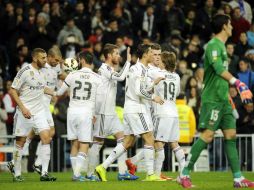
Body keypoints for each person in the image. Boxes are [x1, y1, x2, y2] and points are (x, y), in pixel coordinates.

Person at [178, 14, 254, 188]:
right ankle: (184, 173)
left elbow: (219, 77)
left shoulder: (222, 46)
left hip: (224, 99)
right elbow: (218, 69)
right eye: (230, 24)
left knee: (231, 135)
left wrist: (228, 93)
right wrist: (238, 82)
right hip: (212, 100)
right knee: (208, 135)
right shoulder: (213, 45)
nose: (233, 27)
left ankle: (237, 178)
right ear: (224, 27)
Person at [95, 44, 164, 181]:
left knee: (127, 142)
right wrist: (153, 97)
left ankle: (103, 166)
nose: (153, 55)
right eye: (151, 52)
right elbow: (138, 91)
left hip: (130, 108)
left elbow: (137, 88)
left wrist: (153, 83)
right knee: (149, 138)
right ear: (145, 54)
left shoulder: (138, 69)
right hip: (137, 108)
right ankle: (150, 174)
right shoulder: (139, 69)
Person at [87, 44, 138, 181]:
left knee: (123, 140)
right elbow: (122, 77)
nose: (118, 56)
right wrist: (128, 61)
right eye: (116, 53)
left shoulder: (110, 69)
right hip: (103, 113)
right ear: (109, 56)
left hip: (112, 112)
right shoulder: (103, 69)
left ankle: (122, 172)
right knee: (98, 142)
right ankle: (90, 174)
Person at [50, 51, 102, 181]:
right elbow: (100, 100)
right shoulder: (97, 77)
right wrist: (96, 113)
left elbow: (59, 93)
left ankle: (76, 174)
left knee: (74, 143)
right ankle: (77, 175)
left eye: (79, 60)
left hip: (72, 112)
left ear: (82, 60)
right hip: (86, 112)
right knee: (84, 144)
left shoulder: (72, 75)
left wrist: (48, 90)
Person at [8, 48, 56, 182]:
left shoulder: (42, 72)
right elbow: (13, 90)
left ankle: (44, 173)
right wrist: (22, 108)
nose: (45, 60)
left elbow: (40, 87)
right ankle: (17, 174)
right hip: (25, 111)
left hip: (39, 110)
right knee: (20, 142)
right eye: (43, 58)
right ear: (35, 58)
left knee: (47, 138)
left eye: (46, 57)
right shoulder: (25, 71)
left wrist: (52, 92)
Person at [19, 47, 63, 175]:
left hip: (46, 104)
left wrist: (72, 76)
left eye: (58, 61)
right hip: (40, 104)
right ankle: (38, 164)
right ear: (49, 57)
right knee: (49, 133)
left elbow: (60, 75)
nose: (56, 63)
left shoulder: (56, 67)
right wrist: (54, 92)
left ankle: (22, 159)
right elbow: (40, 86)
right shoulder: (41, 69)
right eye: (55, 60)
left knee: (34, 133)